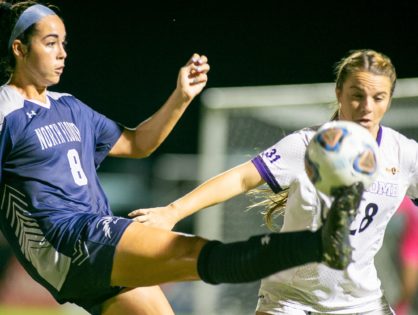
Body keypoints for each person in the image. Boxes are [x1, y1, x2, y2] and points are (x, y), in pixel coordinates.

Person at [0, 1, 359, 314]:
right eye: (50, 43)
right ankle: (315, 244)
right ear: (19, 48)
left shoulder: (70, 106)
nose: (62, 52)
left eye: (64, 43)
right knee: (193, 254)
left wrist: (181, 96)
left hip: (91, 253)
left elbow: (138, 143)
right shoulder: (5, 110)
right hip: (71, 239)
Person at [130, 48, 418, 315]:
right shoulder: (307, 145)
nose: (366, 107)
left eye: (378, 97)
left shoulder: (404, 154)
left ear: (390, 99)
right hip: (290, 299)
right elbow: (242, 177)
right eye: (357, 95)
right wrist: (173, 211)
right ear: (339, 92)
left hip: (362, 302)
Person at [394, 197, 418, 315]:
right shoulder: (413, 196)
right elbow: (394, 206)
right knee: (409, 287)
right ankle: (399, 310)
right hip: (412, 249)